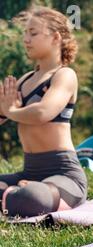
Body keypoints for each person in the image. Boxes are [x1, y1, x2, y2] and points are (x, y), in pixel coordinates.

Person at [0, 6, 87, 218]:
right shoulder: (24, 81)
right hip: (29, 172)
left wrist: (10, 110)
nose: (26, 39)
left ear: (56, 37)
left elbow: (42, 113)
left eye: (33, 33)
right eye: (25, 33)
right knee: (27, 193)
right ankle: (14, 193)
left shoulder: (64, 75)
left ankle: (15, 194)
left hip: (64, 174)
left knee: (32, 198)